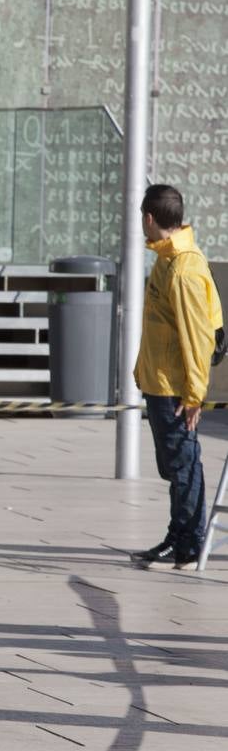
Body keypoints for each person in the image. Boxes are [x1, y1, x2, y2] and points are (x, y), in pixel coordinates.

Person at [130, 184, 223, 570]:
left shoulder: (183, 268)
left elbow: (197, 335)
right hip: (159, 381)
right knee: (174, 466)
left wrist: (194, 393)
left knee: (183, 464)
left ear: (150, 218)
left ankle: (189, 541)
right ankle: (179, 535)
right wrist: (141, 369)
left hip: (174, 388)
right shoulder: (166, 259)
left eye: (142, 218)